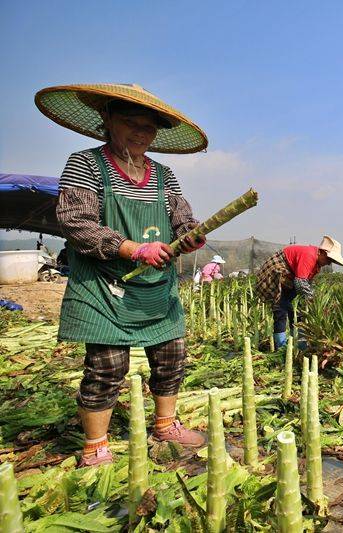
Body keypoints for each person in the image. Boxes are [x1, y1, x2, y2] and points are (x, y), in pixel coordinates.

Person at [38, 83, 210, 466]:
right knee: (107, 366)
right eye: (131, 122)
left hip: (155, 288)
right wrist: (132, 248)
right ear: (107, 119)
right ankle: (95, 446)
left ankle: (166, 425)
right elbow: (76, 223)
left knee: (172, 356)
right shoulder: (85, 164)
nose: (141, 132)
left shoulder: (165, 176)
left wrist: (190, 235)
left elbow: (181, 218)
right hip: (103, 287)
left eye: (149, 127)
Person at [255, 236, 343, 348]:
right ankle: (281, 346)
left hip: (290, 278)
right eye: (329, 259)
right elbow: (300, 283)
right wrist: (313, 300)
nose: (328, 263)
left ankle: (299, 342)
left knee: (294, 310)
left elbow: (306, 284)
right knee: (280, 308)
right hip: (276, 272)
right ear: (322, 252)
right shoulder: (309, 256)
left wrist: (311, 302)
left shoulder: (316, 265)